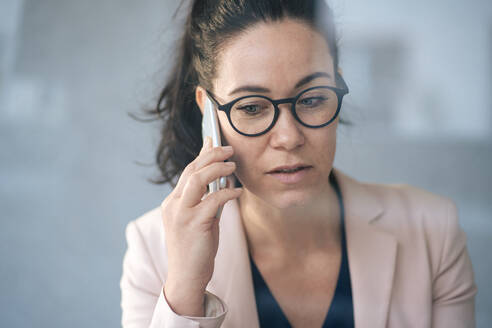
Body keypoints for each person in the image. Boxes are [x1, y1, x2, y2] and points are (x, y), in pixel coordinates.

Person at [120, 1, 477, 327]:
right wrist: (185, 293)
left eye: (312, 99)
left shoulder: (433, 231)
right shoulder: (153, 251)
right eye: (251, 107)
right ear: (209, 112)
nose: (289, 137)